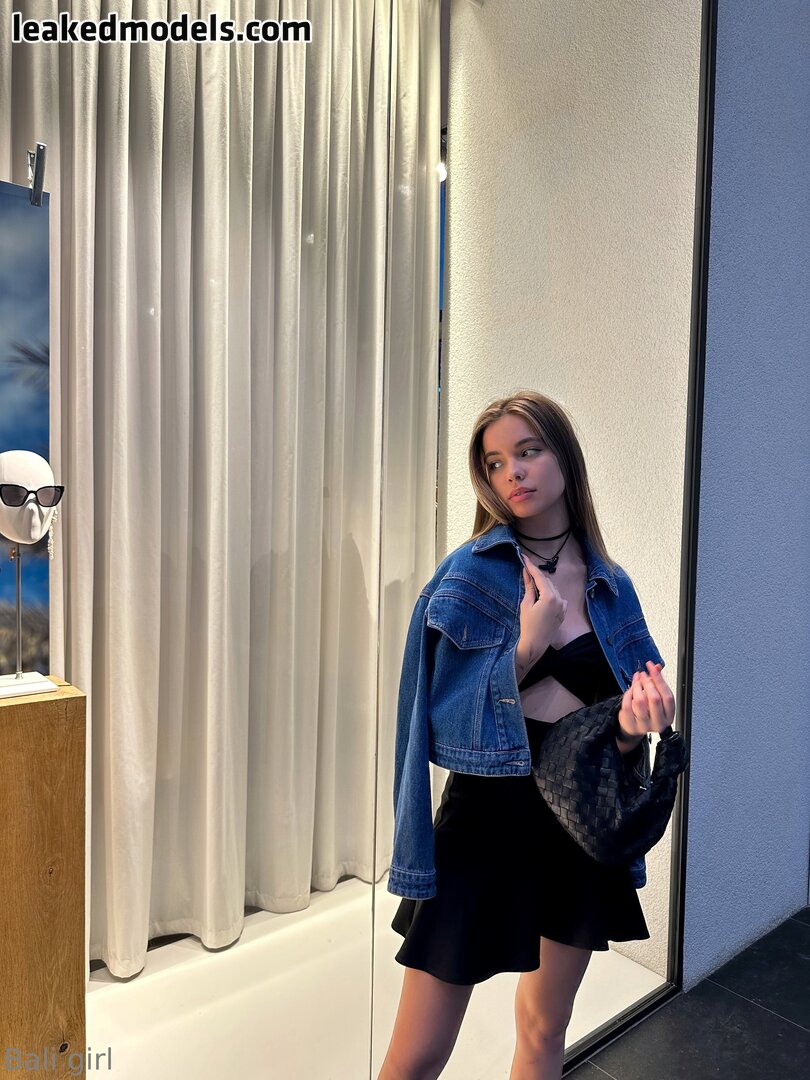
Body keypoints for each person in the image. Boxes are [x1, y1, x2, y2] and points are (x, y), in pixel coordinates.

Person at [378, 390, 676, 1080]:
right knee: (417, 1055)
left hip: (576, 825)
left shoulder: (612, 586)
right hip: (485, 816)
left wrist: (634, 726)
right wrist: (525, 649)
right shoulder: (468, 576)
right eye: (495, 461)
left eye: (528, 450)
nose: (512, 471)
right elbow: (433, 724)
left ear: (564, 456)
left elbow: (613, 739)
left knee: (545, 1029)